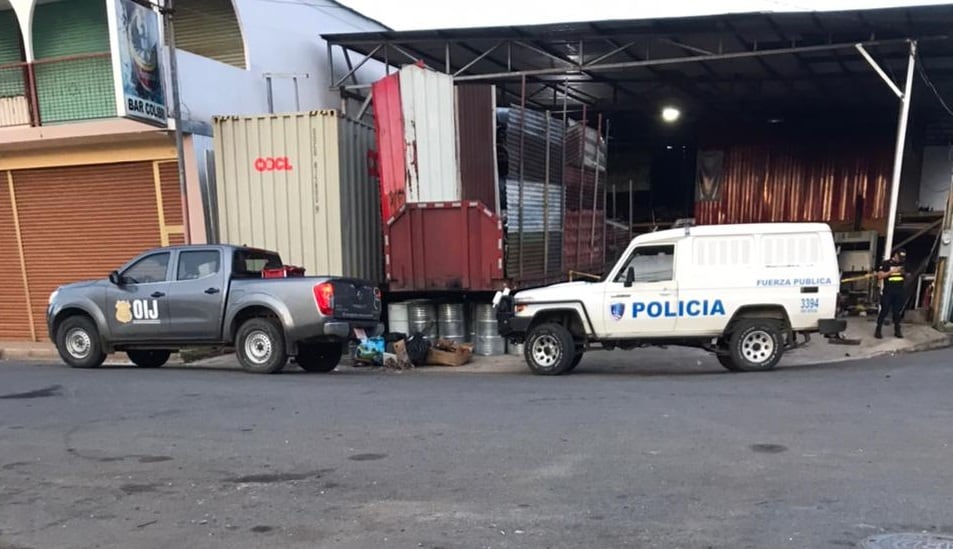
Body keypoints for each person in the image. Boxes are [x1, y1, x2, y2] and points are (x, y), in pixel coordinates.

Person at [875, 249, 908, 339]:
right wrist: (891, 272)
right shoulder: (886, 263)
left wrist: (903, 273)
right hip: (888, 292)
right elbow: (880, 276)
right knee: (884, 311)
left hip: (899, 292)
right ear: (895, 255)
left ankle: (897, 331)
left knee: (897, 313)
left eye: (902, 258)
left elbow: (907, 275)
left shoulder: (903, 264)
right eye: (900, 257)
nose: (900, 259)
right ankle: (878, 330)